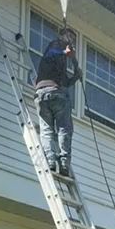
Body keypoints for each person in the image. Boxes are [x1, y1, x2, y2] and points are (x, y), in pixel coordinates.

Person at [34, 29, 82, 178]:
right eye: (69, 37)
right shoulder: (55, 45)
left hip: (43, 94)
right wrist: (66, 50)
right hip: (53, 93)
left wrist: (75, 76)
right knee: (64, 129)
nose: (71, 41)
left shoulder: (60, 57)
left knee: (47, 130)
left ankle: (51, 160)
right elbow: (53, 52)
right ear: (61, 36)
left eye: (73, 40)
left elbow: (65, 82)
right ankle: (63, 163)